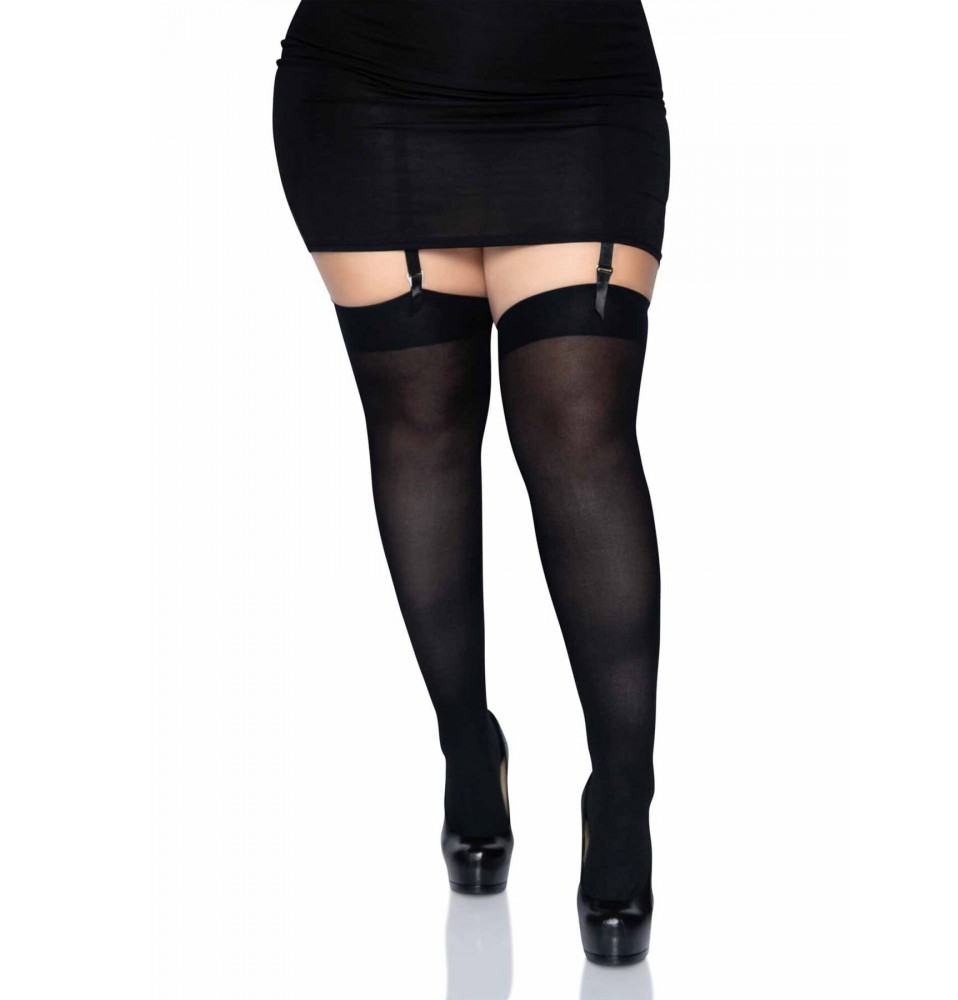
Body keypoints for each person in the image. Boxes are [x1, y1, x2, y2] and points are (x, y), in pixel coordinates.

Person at [272, 0, 670, 966]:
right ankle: (466, 744)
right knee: (422, 430)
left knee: (581, 437)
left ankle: (622, 794)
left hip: (577, 85)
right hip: (370, 89)